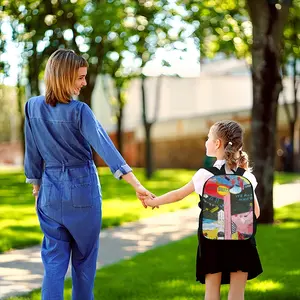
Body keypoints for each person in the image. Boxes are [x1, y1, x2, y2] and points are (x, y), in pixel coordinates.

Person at [24, 49, 153, 300]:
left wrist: (37, 188)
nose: (84, 83)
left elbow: (32, 153)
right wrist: (136, 184)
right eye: (80, 77)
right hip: (82, 191)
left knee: (53, 263)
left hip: (49, 193)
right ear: (64, 77)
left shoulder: (32, 107)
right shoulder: (79, 111)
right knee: (84, 263)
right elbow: (107, 148)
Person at [145, 120, 263, 300]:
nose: (206, 142)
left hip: (212, 241)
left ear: (217, 144)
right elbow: (256, 212)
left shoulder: (205, 175)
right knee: (237, 294)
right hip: (241, 241)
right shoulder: (246, 176)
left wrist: (154, 202)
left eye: (208, 138)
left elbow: (178, 195)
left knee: (211, 293)